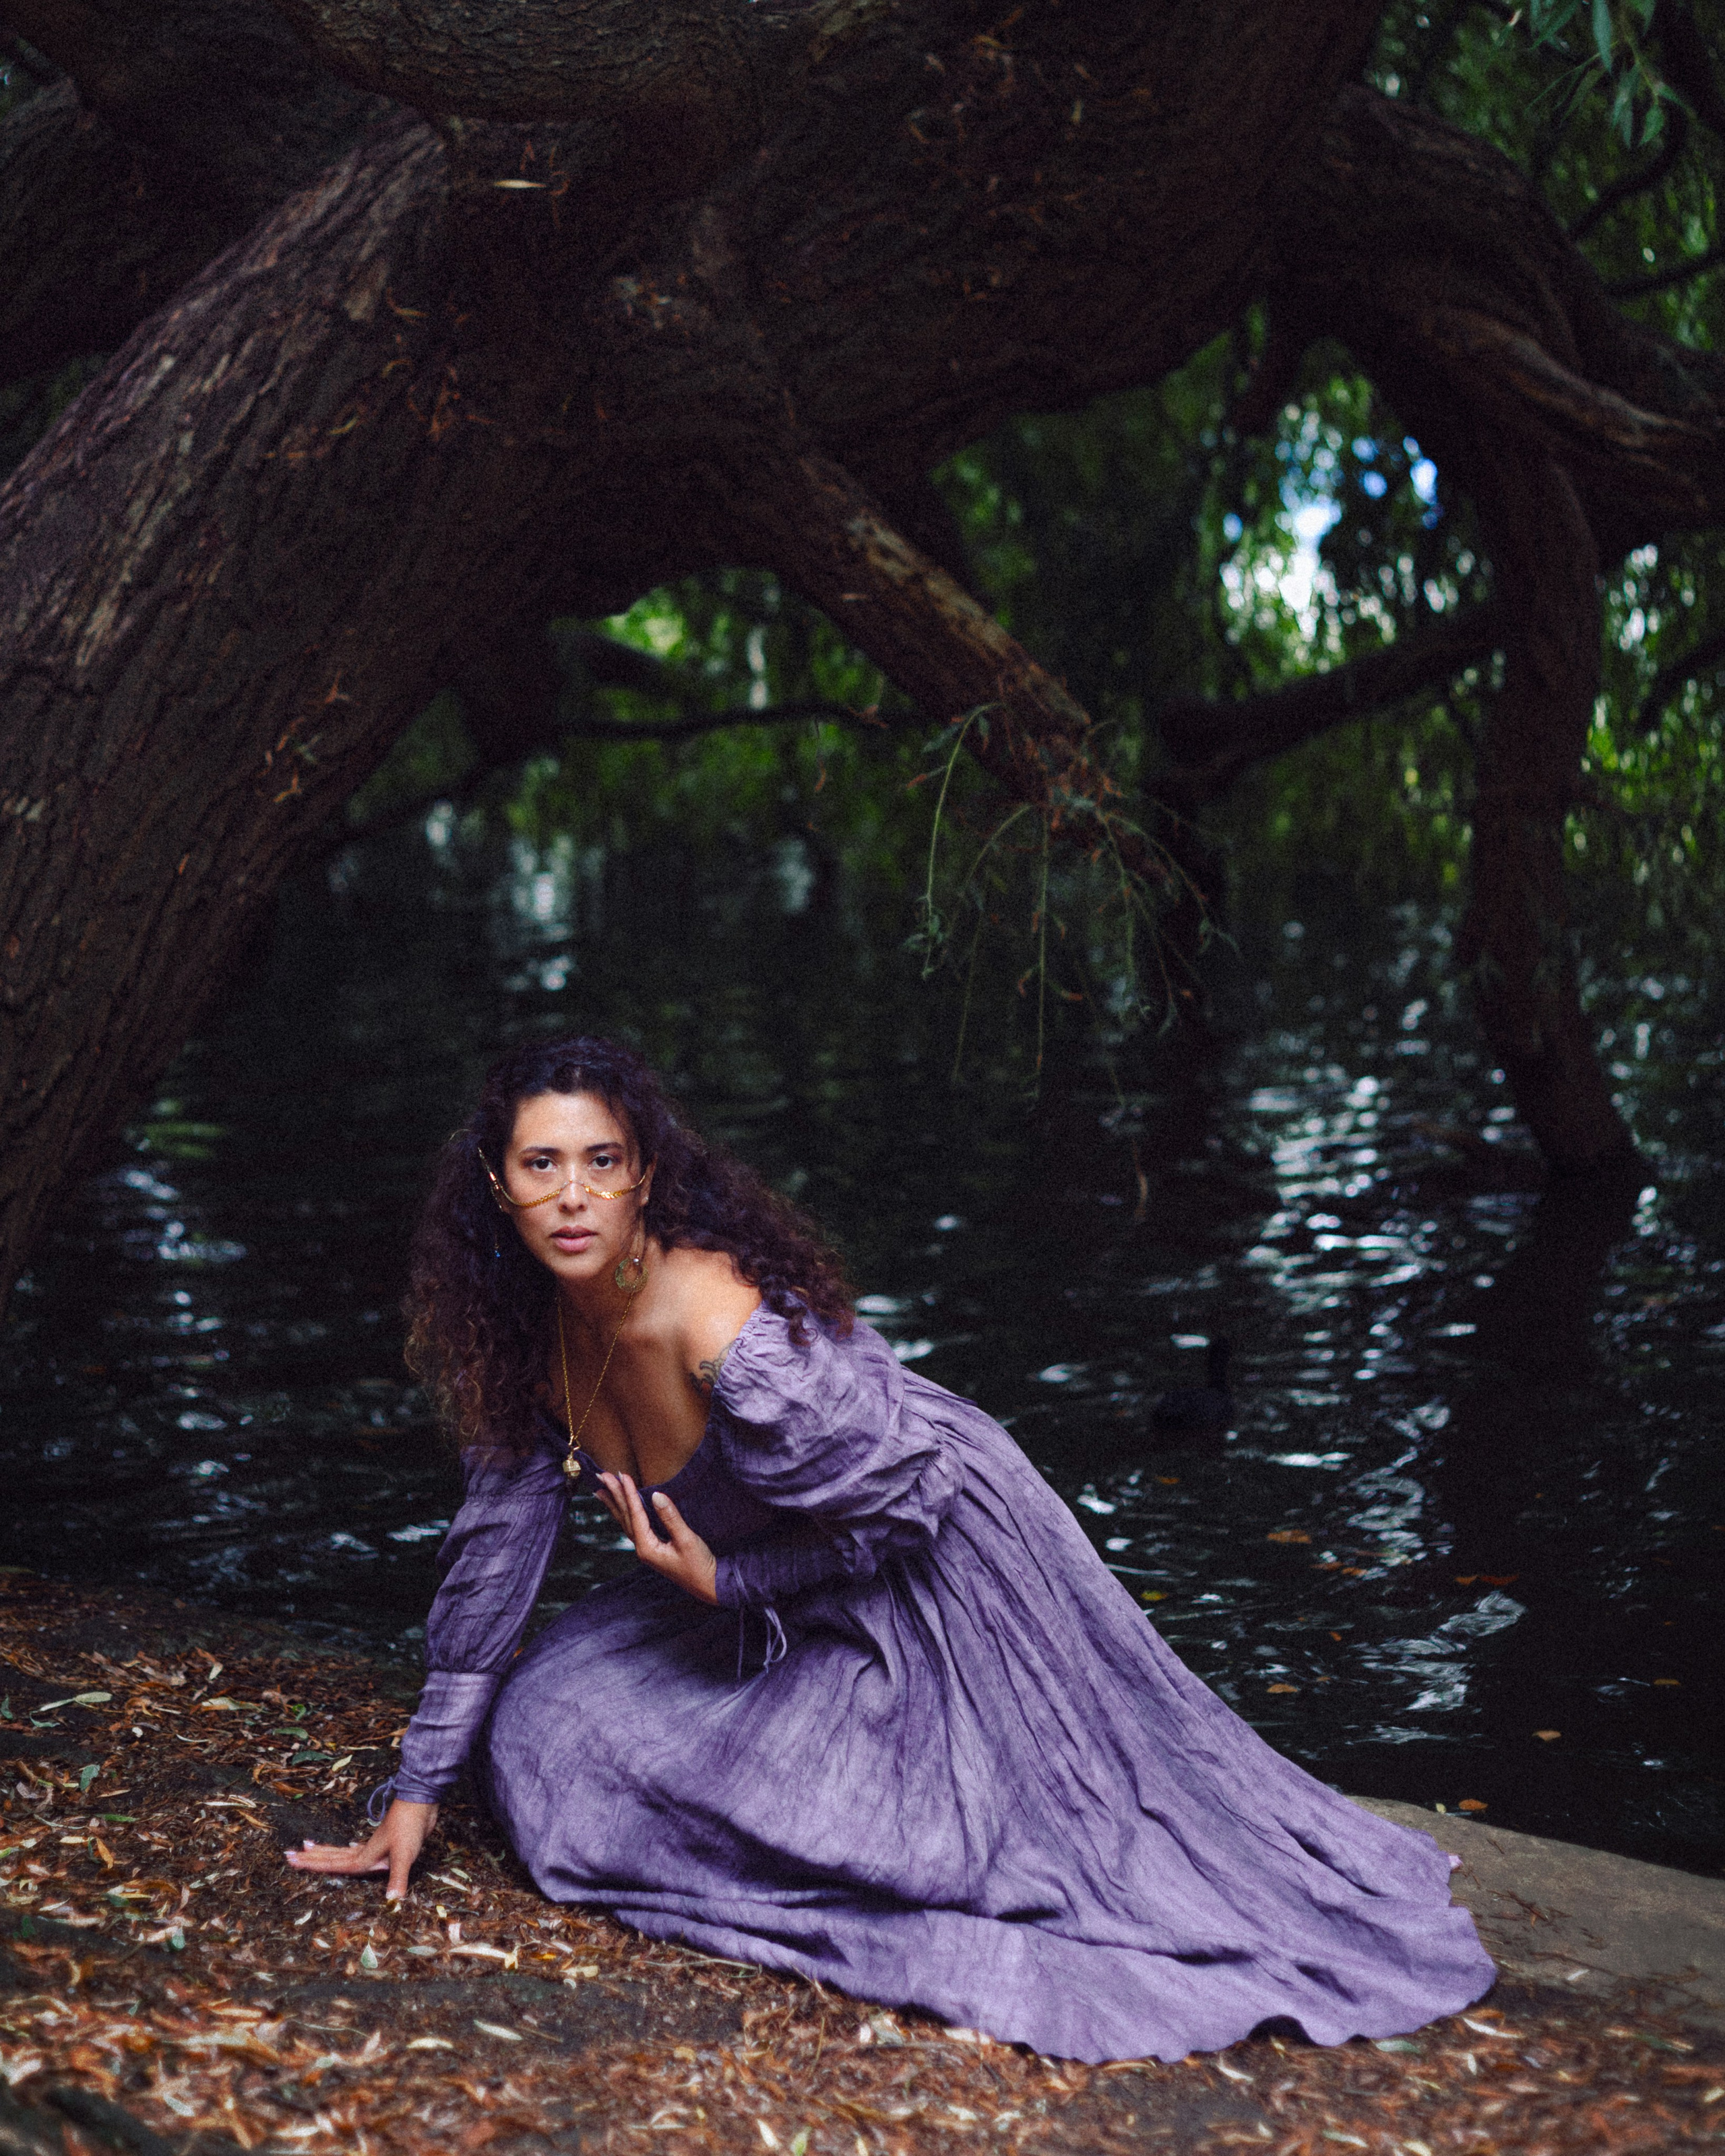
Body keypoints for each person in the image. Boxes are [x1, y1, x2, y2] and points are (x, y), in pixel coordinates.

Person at [286, 1036, 1494, 2063]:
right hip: (766, 1575)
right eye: (541, 1165)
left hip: (928, 1567)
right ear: (497, 1185)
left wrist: (735, 1581)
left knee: (937, 1833)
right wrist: (419, 1788)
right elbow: (495, 1563)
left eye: (602, 1161)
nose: (573, 1196)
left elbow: (908, 1503)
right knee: (545, 1725)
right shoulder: (527, 1338)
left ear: (644, 1173)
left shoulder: (722, 1328)